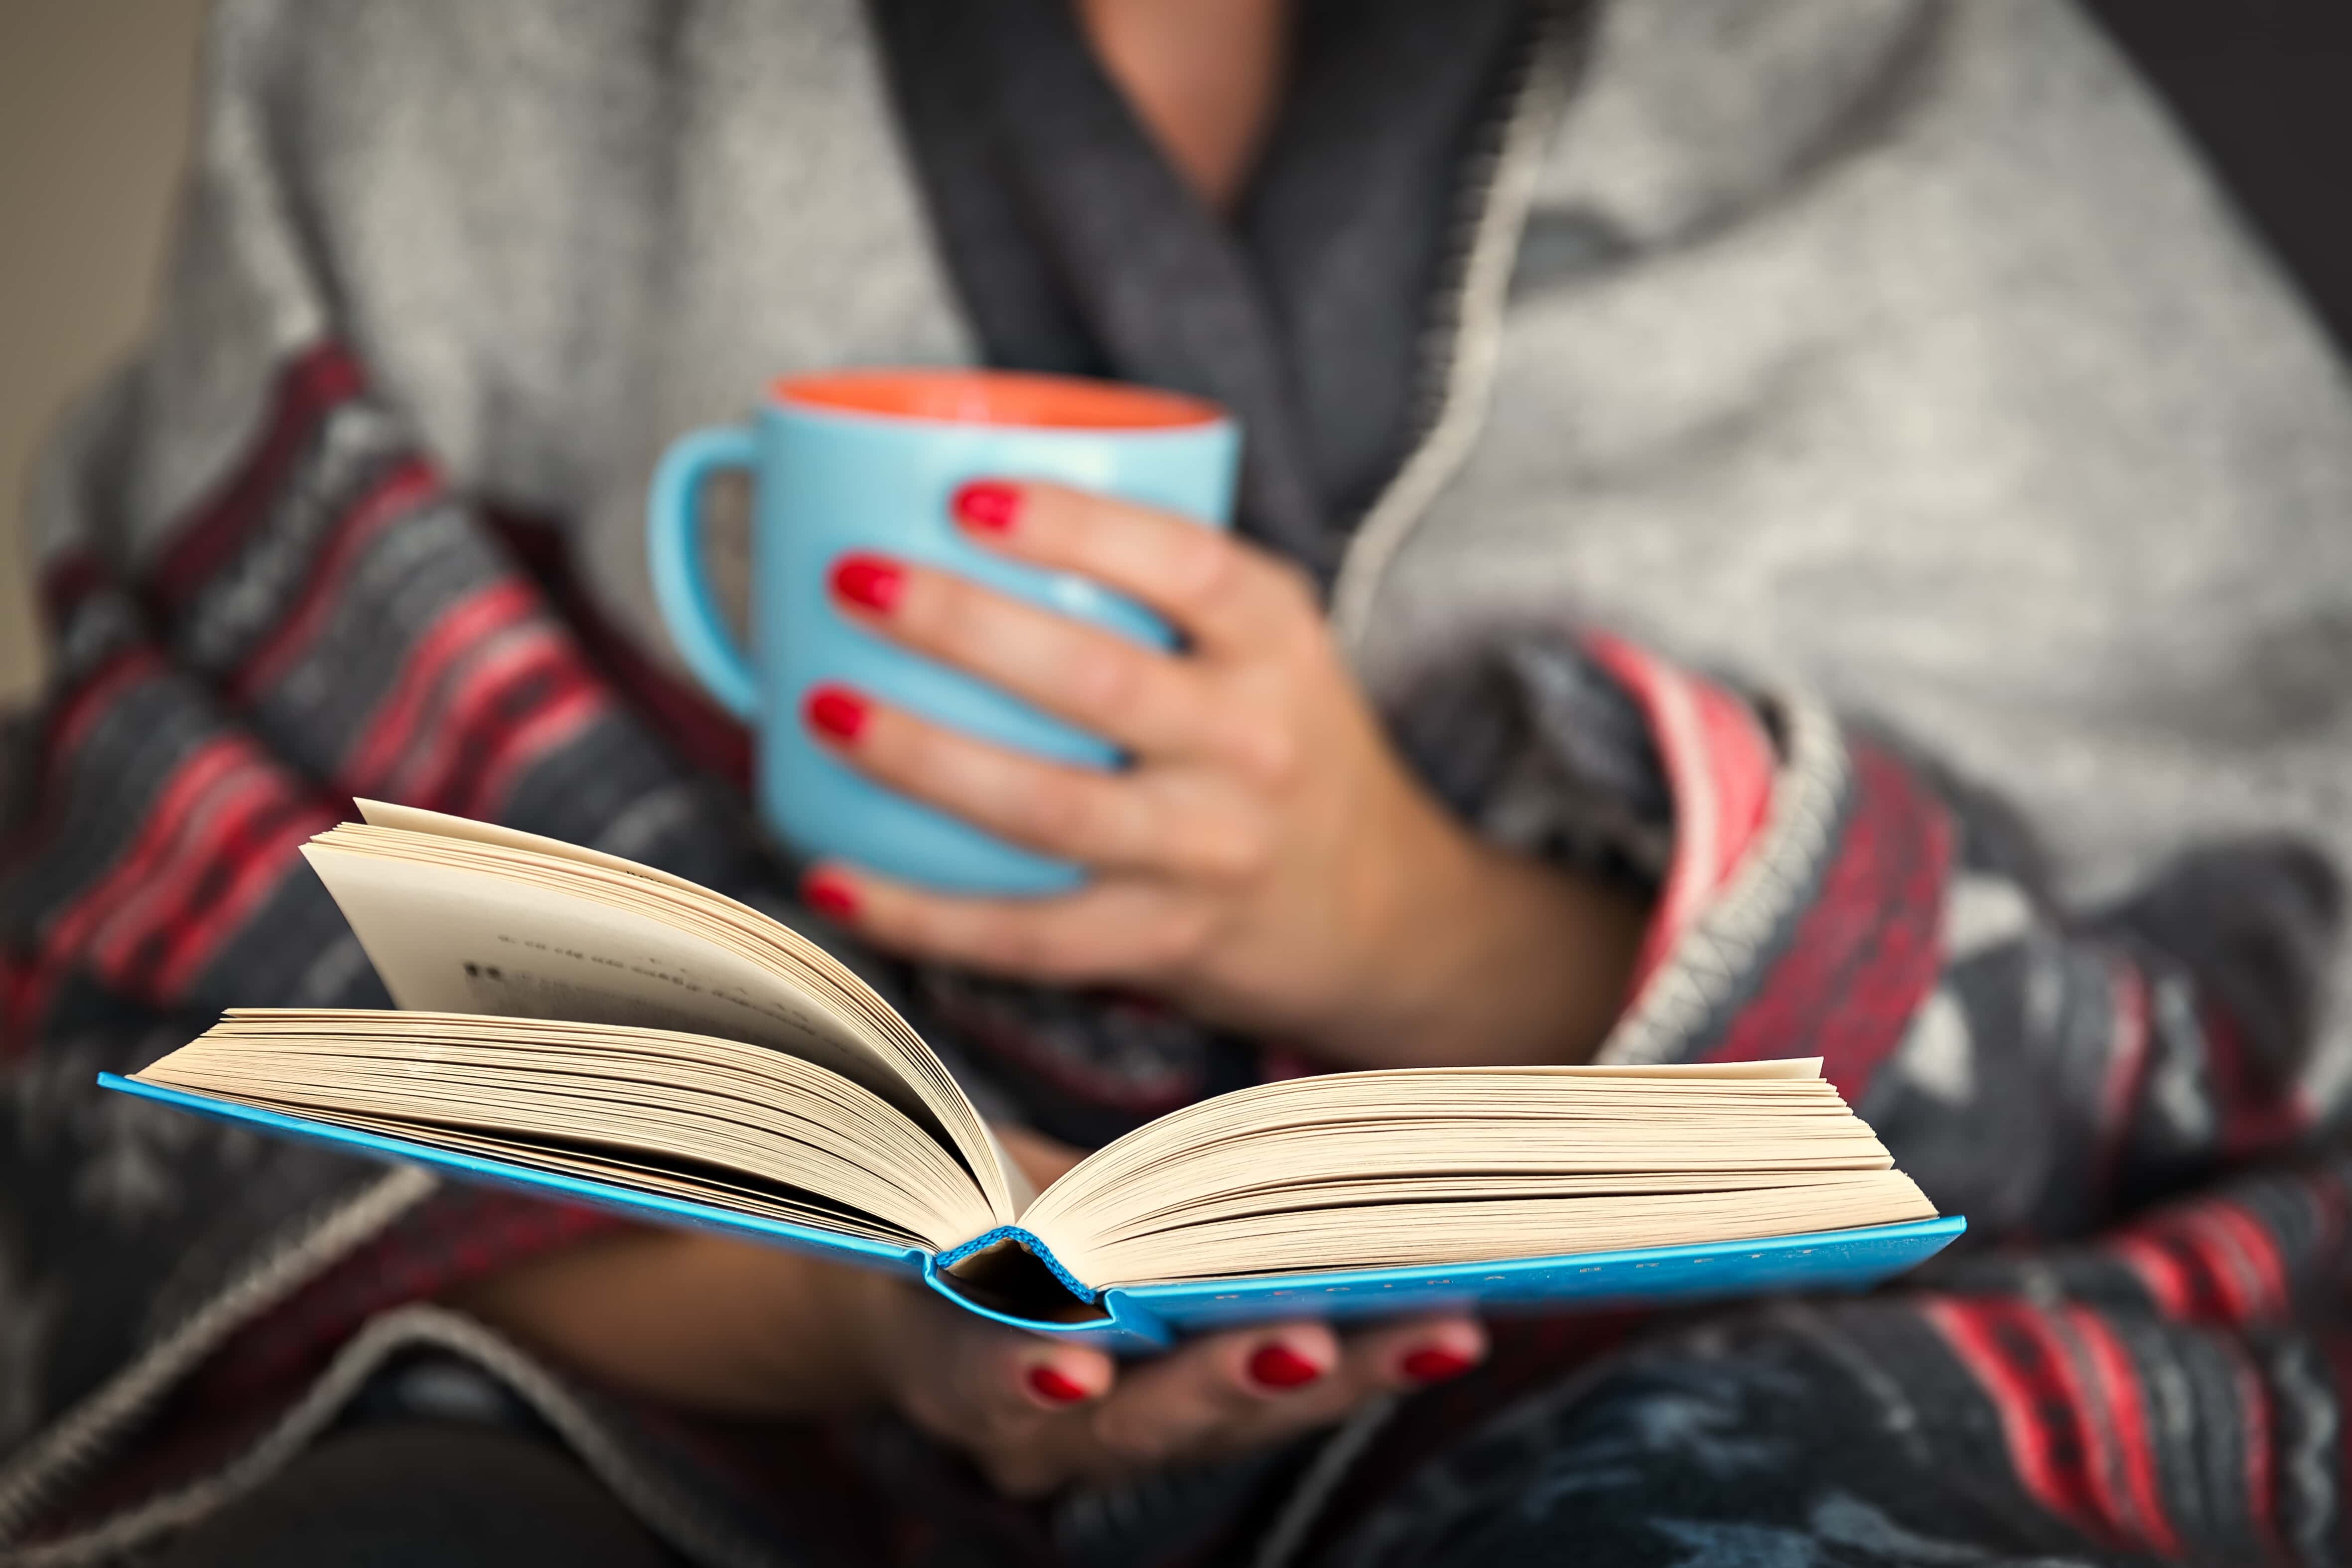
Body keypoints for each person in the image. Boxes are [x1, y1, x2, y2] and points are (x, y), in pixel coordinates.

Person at [5, 0, 2352, 1563]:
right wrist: (874, 1301)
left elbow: (2269, 970)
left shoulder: (1923, 94)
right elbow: (175, 981)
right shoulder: (458, 71)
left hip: (1762, 1352)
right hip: (724, 1403)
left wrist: (1400, 910)